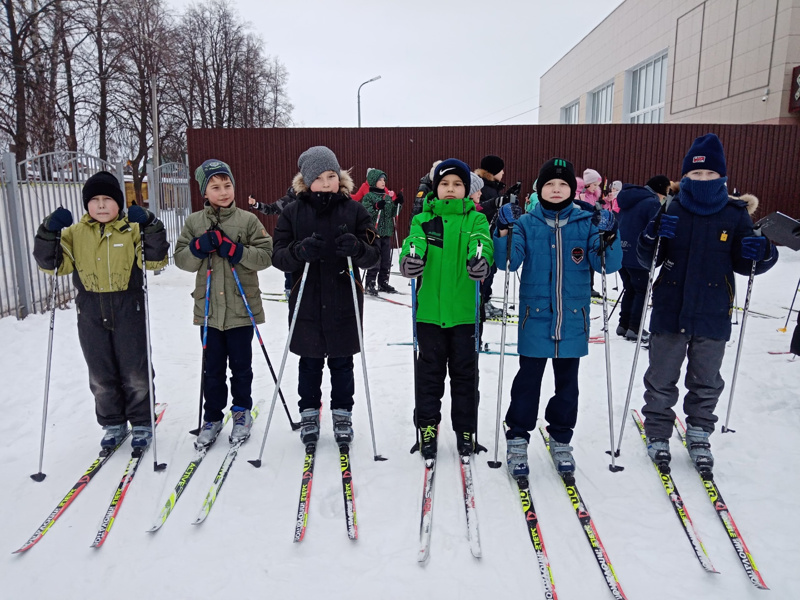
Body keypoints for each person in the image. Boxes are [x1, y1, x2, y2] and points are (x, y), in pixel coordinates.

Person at [637, 134, 778, 475]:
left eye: (709, 175)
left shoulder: (735, 213)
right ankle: (657, 432)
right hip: (671, 307)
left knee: (706, 379)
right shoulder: (670, 207)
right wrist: (652, 235)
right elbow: (647, 258)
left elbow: (747, 264)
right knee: (661, 376)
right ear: (684, 177)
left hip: (713, 310)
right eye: (695, 175)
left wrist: (764, 252)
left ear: (722, 178)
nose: (702, 180)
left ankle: (700, 431)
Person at [492, 157, 621, 478]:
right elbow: (508, 262)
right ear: (540, 188)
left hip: (573, 318)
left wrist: (609, 236)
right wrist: (504, 229)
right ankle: (518, 437)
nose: (556, 189)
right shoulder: (527, 223)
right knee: (527, 383)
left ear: (571, 189)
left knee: (568, 386)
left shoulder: (586, 222)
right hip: (535, 317)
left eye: (562, 184)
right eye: (549, 183)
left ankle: (561, 437)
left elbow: (607, 264)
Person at [32, 171, 169, 450]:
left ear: (119, 203)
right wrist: (48, 232)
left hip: (128, 304)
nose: (102, 205)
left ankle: (141, 421)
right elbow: (53, 265)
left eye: (108, 199)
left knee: (135, 371)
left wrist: (151, 226)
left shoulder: (131, 230)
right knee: (101, 373)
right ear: (86, 204)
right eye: (95, 200)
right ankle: (113, 423)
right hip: (90, 308)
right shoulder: (73, 234)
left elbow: (154, 261)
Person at [271, 146, 380, 445]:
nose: (326, 183)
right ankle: (309, 413)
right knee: (309, 363)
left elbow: (375, 254)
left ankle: (343, 413)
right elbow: (278, 255)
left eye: (331, 175)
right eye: (318, 178)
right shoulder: (292, 212)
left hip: (344, 301)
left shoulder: (355, 210)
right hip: (306, 302)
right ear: (306, 182)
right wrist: (298, 251)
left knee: (343, 364)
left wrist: (358, 249)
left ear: (340, 176)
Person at [175, 159, 273, 449]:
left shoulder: (247, 220)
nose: (223, 192)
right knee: (213, 369)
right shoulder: (194, 222)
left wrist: (236, 250)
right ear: (205, 192)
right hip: (209, 313)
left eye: (227, 185)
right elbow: (182, 259)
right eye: (215, 187)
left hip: (242, 309)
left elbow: (266, 255)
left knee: (241, 367)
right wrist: (196, 247)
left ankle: (241, 412)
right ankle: (212, 417)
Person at [399, 159, 493, 458]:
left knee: (466, 377)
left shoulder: (475, 220)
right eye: (444, 184)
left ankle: (466, 430)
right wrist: (410, 259)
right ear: (435, 188)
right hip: (429, 314)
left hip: (465, 316)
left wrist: (480, 261)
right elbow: (414, 243)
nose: (450, 189)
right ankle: (427, 427)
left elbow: (481, 243)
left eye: (457, 184)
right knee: (429, 376)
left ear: (466, 189)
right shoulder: (423, 220)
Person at [615, 175, 670, 341]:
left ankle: (623, 324)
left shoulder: (629, 199)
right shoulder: (652, 202)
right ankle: (635, 327)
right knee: (642, 290)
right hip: (637, 254)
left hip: (621, 252)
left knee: (630, 288)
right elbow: (654, 227)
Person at [361, 168, 404, 295]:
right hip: (375, 233)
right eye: (380, 179)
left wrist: (397, 204)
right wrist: (375, 207)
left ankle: (383, 281)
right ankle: (370, 282)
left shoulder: (387, 197)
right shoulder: (369, 197)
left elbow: (392, 213)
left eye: (384, 179)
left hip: (386, 232)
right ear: (373, 181)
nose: (383, 182)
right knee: (376, 258)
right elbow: (366, 212)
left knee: (386, 259)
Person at [249, 187, 297, 297]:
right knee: (289, 265)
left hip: (304, 239)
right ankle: (289, 290)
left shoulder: (308, 201)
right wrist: (256, 204)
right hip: (289, 240)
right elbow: (270, 209)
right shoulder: (286, 201)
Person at [476, 154, 506, 318]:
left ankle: (485, 301)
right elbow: (482, 210)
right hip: (484, 236)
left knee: (490, 271)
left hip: (490, 234)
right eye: (501, 170)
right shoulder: (486, 188)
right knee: (486, 271)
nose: (503, 173)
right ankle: (481, 303)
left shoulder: (491, 187)